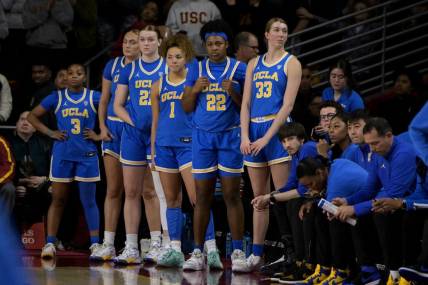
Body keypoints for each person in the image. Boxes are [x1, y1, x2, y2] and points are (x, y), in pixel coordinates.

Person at [181, 19, 247, 271]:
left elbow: (247, 108)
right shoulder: (196, 69)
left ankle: (238, 251)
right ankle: (198, 252)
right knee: (202, 198)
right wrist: (195, 90)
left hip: (230, 138)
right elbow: (186, 106)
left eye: (218, 43)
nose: (214, 48)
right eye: (209, 44)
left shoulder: (239, 69)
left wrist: (235, 93)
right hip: (202, 139)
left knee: (231, 195)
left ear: (227, 45)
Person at [151, 34, 218, 268]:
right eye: (170, 57)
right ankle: (175, 249)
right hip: (164, 146)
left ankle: (210, 249)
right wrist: (152, 150)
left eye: (178, 57)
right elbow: (155, 120)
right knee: (171, 200)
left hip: (189, 145)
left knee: (197, 198)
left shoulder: (193, 81)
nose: (174, 60)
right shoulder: (158, 84)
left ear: (186, 58)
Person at [240, 17, 302, 272]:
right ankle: (256, 254)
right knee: (258, 198)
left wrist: (267, 138)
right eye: (276, 29)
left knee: (280, 195)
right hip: (253, 127)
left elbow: (287, 105)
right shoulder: (254, 63)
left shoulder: (292, 63)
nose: (281, 33)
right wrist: (245, 136)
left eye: (284, 30)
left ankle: (292, 254)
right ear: (266, 34)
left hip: (277, 131)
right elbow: (245, 103)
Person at [27, 63, 102, 260]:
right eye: (71, 73)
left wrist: (100, 134)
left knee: (89, 201)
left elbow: (112, 111)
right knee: (58, 200)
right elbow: (32, 116)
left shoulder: (94, 96)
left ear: (85, 77)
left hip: (87, 155)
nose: (75, 76)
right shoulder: (56, 98)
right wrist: (51, 132)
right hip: (62, 155)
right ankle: (50, 242)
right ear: (65, 77)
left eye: (79, 73)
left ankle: (95, 244)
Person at [335, 117, 417, 284]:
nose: (372, 148)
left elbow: (394, 195)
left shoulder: (404, 154)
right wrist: (347, 201)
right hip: (392, 203)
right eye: (369, 144)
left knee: (382, 213)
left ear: (389, 135)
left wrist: (355, 208)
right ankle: (368, 271)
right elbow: (368, 190)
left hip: (412, 205)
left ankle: (394, 274)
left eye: (375, 143)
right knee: (356, 218)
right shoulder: (377, 153)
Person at [113, 26, 166, 264]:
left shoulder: (167, 66)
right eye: (142, 40)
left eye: (150, 39)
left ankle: (157, 243)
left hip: (159, 136)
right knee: (131, 192)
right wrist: (132, 122)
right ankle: (131, 246)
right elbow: (117, 105)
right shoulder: (129, 69)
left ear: (159, 41)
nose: (145, 43)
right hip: (133, 136)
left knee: (152, 191)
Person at [90, 29, 141, 261]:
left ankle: (145, 241)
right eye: (126, 41)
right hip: (113, 127)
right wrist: (101, 126)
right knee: (113, 189)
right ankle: (108, 242)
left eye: (133, 42)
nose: (128, 45)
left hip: (135, 129)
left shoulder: (146, 67)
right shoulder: (112, 65)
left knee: (140, 191)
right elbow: (104, 98)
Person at [251, 122, 318, 282]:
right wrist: (268, 196)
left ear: (301, 139)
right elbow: (290, 184)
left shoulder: (308, 148)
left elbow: (303, 190)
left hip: (322, 195)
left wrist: (270, 197)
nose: (287, 145)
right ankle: (291, 254)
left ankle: (303, 261)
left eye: (291, 139)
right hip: (310, 194)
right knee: (279, 202)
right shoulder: (296, 155)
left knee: (293, 203)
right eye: (283, 141)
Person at [9, 111, 51, 227]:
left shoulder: (46, 144)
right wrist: (16, 183)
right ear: (17, 124)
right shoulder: (5, 143)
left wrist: (44, 179)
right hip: (14, 185)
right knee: (8, 191)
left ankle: (55, 237)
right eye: (22, 119)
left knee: (56, 191)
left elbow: (55, 170)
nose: (25, 122)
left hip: (41, 185)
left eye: (29, 120)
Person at [0, 134, 15, 216]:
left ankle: (3, 223)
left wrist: (0, 180)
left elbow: (10, 165)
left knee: (9, 189)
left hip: (1, 180)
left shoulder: (1, 141)